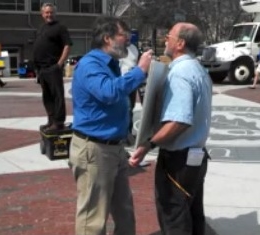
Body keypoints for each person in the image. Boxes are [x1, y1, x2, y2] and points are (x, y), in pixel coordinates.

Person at [69, 16, 153, 235]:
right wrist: (140, 71)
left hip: (114, 148)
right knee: (93, 217)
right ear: (107, 38)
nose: (128, 40)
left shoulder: (111, 64)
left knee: (124, 210)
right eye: (123, 35)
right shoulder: (90, 64)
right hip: (95, 150)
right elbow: (109, 92)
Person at [129, 22, 213, 235]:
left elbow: (180, 120)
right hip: (195, 157)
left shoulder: (180, 74)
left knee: (174, 216)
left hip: (178, 161)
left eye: (169, 36)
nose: (165, 39)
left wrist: (149, 144)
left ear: (180, 43)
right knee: (193, 214)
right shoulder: (198, 69)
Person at [33, 2, 72, 131]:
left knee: (57, 96)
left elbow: (67, 45)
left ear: (54, 13)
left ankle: (59, 122)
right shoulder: (41, 28)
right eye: (46, 12)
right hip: (42, 69)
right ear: (42, 14)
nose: (49, 15)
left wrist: (59, 64)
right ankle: (51, 120)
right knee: (47, 96)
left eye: (51, 12)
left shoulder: (60, 28)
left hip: (53, 67)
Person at [119, 42, 139, 144]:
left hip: (131, 83)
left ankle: (128, 133)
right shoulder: (115, 47)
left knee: (130, 109)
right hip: (119, 82)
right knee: (124, 108)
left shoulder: (134, 48)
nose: (128, 37)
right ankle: (122, 134)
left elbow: (136, 64)